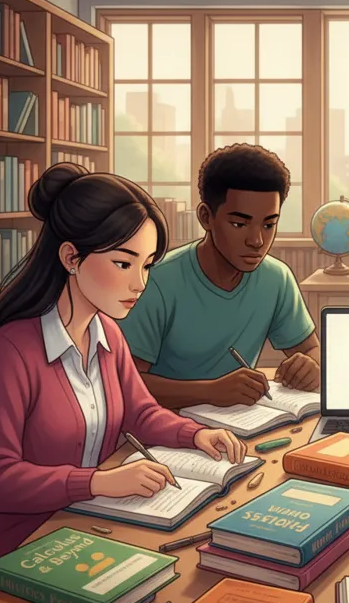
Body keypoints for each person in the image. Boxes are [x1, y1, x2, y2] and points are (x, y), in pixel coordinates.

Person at [0, 164, 245, 558]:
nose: (140, 284)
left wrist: (194, 434)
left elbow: (140, 413)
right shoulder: (11, 351)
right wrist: (96, 482)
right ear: (71, 257)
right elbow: (0, 476)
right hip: (24, 543)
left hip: (90, 524)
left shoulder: (107, 333)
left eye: (146, 266)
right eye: (124, 264)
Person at [119, 143, 319, 411]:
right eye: (239, 224)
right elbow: (124, 383)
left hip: (241, 423)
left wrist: (312, 365)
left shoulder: (276, 278)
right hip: (165, 430)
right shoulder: (155, 280)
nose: (257, 241)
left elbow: (310, 350)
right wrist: (210, 392)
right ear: (206, 217)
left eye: (269, 224)